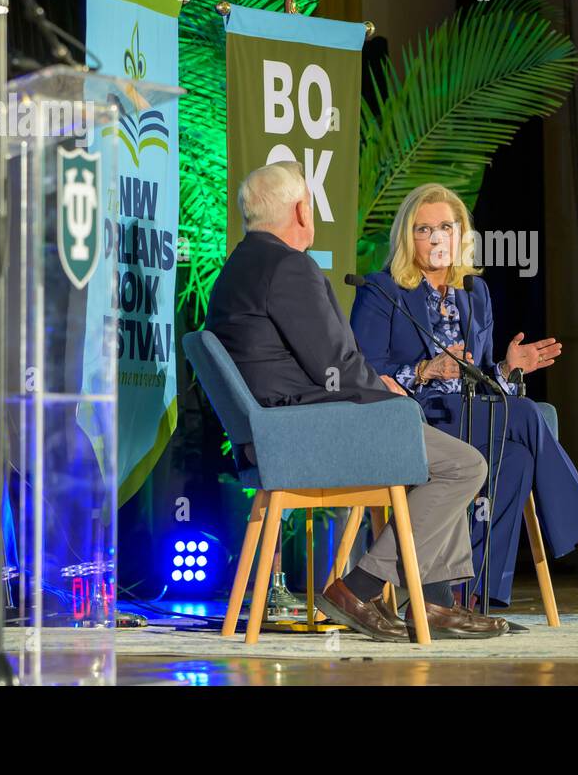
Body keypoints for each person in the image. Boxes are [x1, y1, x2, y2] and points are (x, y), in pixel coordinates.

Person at [204, 162, 507, 642]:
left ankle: (436, 602)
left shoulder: (239, 266)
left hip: (277, 435)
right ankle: (359, 586)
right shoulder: (288, 266)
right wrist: (386, 391)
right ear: (302, 209)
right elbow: (338, 368)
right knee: (464, 465)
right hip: (309, 435)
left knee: (439, 452)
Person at [350, 183, 578, 609]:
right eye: (423, 229)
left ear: (461, 235)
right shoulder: (382, 290)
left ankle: (473, 599)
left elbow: (478, 379)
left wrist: (508, 369)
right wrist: (424, 369)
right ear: (406, 236)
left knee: (517, 459)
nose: (436, 238)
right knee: (527, 416)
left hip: (469, 414)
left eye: (445, 227)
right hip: (416, 420)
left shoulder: (476, 293)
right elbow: (363, 374)